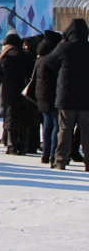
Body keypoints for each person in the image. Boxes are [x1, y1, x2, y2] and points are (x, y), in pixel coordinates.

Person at [45, 19, 89, 171]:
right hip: (86, 100)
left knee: (64, 130)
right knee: (86, 131)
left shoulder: (64, 48)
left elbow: (49, 61)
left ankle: (60, 160)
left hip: (66, 97)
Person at [0, 33, 37, 155]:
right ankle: (23, 145)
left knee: (10, 119)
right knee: (24, 119)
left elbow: (0, 76)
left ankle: (12, 145)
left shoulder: (4, 59)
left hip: (9, 93)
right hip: (25, 93)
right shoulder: (27, 57)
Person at [34, 31, 63, 164]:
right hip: (52, 94)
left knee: (47, 124)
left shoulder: (40, 57)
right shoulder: (53, 58)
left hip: (41, 94)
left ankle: (45, 154)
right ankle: (52, 154)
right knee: (57, 124)